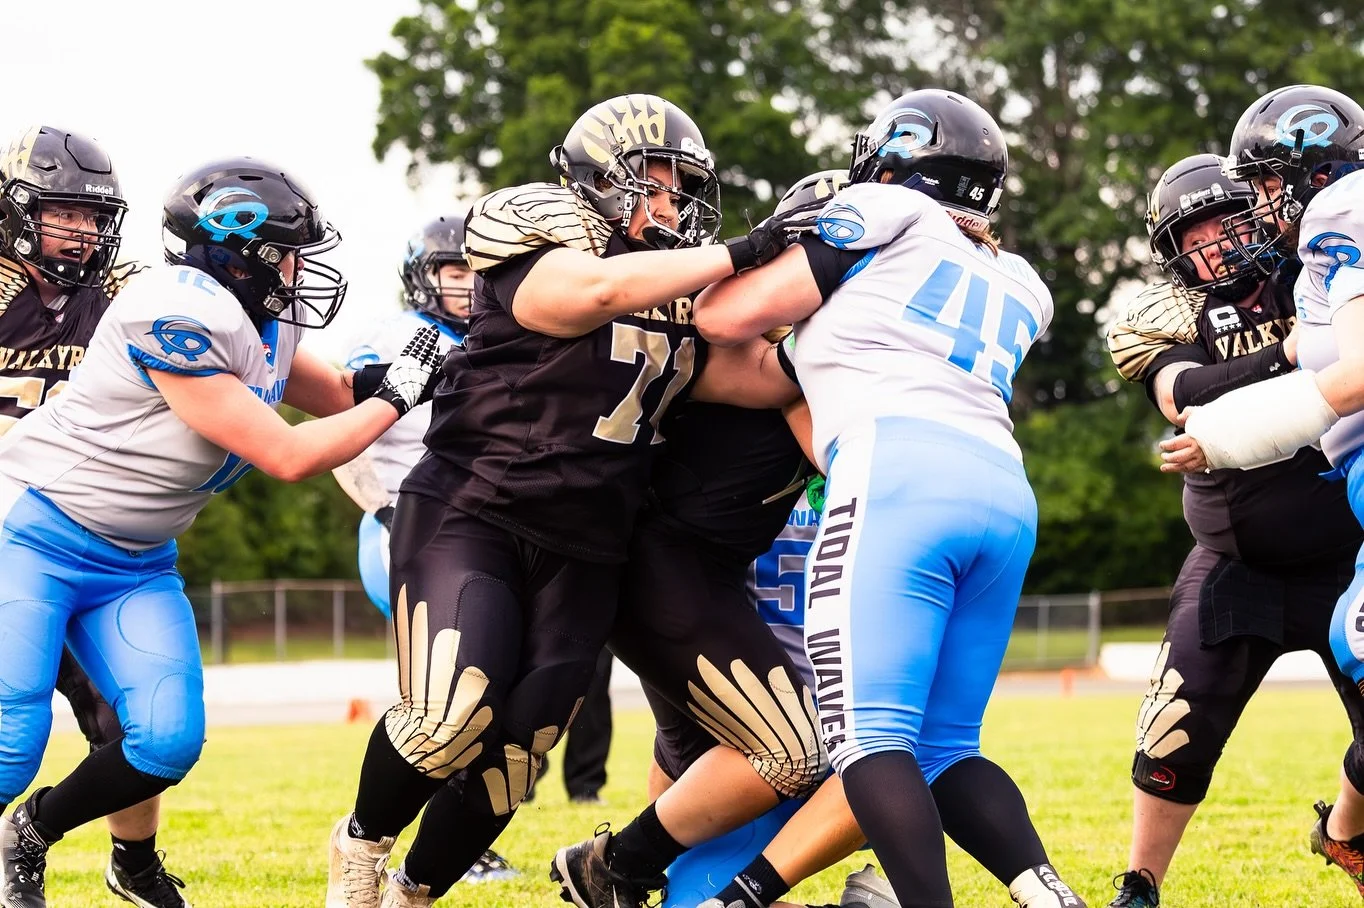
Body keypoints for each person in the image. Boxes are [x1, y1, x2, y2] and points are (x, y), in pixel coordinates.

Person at [326, 91, 811, 908]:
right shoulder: (544, 226)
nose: (671, 207)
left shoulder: (676, 290)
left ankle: (414, 890)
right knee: (450, 717)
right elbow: (587, 294)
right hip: (474, 511)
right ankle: (361, 842)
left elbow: (752, 378)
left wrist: (836, 329)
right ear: (599, 178)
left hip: (588, 545)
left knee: (520, 751)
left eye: (682, 190)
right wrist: (744, 250)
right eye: (654, 184)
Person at [0, 155, 443, 908]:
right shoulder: (173, 310)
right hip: (33, 535)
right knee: (12, 740)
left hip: (136, 560)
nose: (300, 269)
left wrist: (434, 372)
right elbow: (289, 455)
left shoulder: (263, 320)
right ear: (242, 255)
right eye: (288, 252)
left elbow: (340, 393)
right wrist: (397, 398)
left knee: (165, 741)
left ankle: (31, 832)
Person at [692, 89, 1087, 908]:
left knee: (868, 740)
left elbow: (725, 318)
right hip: (1002, 490)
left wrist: (756, 258)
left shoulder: (885, 210)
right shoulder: (1019, 280)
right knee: (945, 748)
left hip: (899, 472)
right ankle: (1052, 896)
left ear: (893, 163)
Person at [1103, 151, 1364, 907]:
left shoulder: (1319, 268)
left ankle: (1346, 833)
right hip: (1235, 560)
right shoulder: (1173, 314)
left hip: (1343, 552)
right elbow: (1182, 396)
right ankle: (1140, 883)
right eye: (1193, 235)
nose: (1213, 244)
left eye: (1224, 222)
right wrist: (1287, 353)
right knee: (1174, 730)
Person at [0, 123, 197, 908]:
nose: (81, 231)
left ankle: (133, 862)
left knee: (129, 722)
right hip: (12, 530)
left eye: (92, 216)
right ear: (17, 210)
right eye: (62, 213)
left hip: (84, 534)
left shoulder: (126, 292)